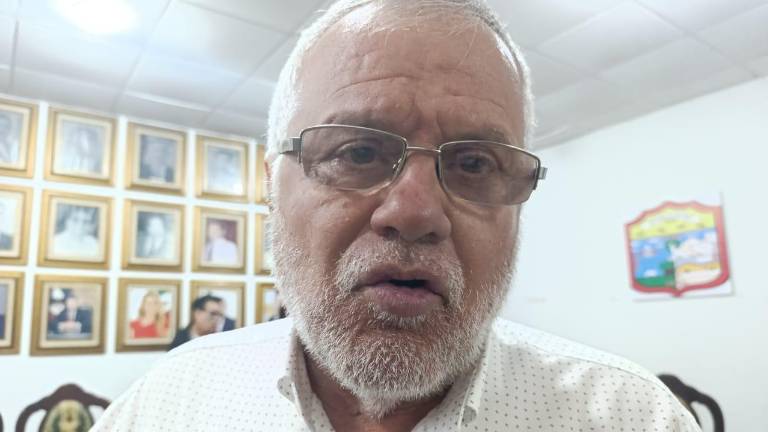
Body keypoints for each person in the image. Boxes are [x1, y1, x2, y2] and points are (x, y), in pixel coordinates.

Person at [93, 1, 700, 431]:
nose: (415, 212)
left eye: (475, 164)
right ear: (271, 186)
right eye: (358, 153)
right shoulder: (171, 403)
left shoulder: (630, 417)